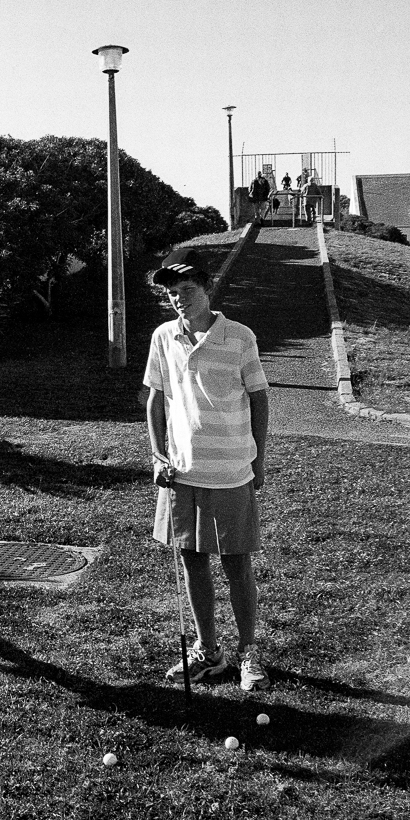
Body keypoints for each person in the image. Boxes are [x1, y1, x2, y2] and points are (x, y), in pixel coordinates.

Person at [139, 247, 271, 690]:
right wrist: (158, 455)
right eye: (172, 293)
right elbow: (155, 398)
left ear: (207, 287)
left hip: (231, 470)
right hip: (181, 472)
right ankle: (208, 650)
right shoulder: (163, 337)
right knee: (192, 562)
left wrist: (258, 459)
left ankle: (248, 652)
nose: (179, 299)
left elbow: (259, 398)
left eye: (187, 289)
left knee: (237, 566)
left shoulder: (240, 336)